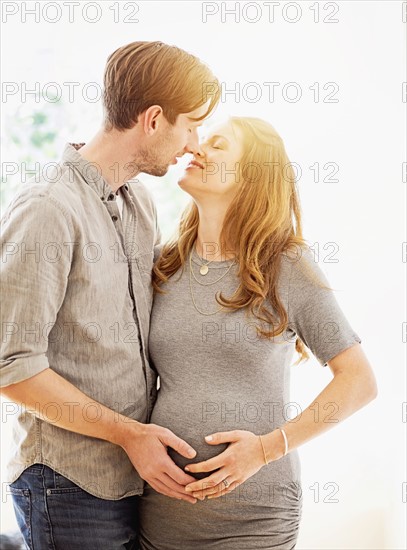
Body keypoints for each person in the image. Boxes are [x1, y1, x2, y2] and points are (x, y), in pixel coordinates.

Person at [0, 41, 220, 549]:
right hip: (66, 483)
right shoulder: (48, 208)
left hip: (131, 481)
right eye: (191, 125)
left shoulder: (139, 202)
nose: (194, 143)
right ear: (154, 119)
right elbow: (11, 366)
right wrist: (128, 435)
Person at [137, 116, 378, 549]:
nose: (197, 149)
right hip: (161, 519)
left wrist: (266, 449)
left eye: (218, 145)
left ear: (252, 176)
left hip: (254, 521)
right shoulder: (163, 264)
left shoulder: (285, 264)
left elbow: (359, 382)